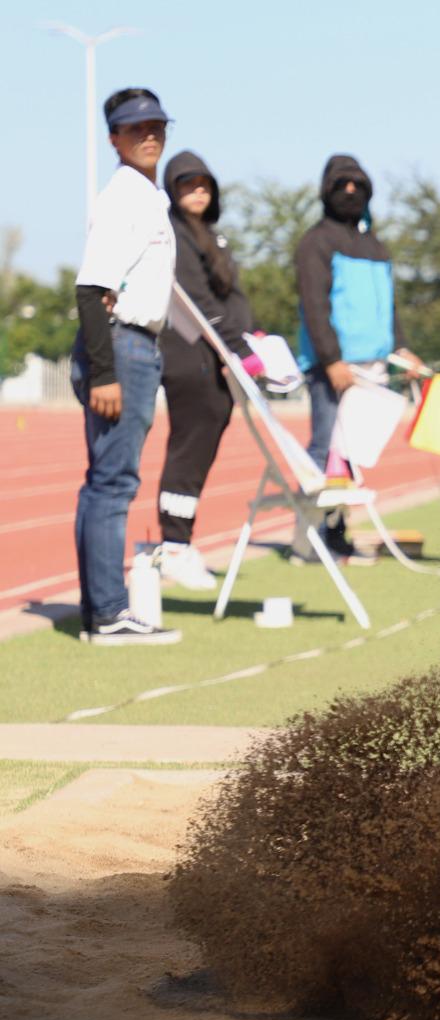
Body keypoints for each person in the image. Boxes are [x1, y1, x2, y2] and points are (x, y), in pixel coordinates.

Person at [70, 88, 180, 645]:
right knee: (113, 485)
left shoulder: (145, 195)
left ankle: (100, 611)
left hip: (133, 344)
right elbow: (92, 289)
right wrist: (105, 371)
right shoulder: (126, 197)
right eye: (136, 128)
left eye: (157, 125)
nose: (149, 135)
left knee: (104, 484)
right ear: (114, 138)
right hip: (123, 346)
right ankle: (110, 613)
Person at [293, 154, 422, 560]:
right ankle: (305, 538)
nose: (350, 192)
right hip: (334, 368)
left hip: (374, 367)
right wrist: (331, 359)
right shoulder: (315, 242)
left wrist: (401, 348)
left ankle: (335, 530)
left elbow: (388, 307)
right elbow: (315, 305)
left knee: (351, 457)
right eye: (341, 185)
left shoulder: (376, 246)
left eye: (358, 185)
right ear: (326, 191)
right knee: (323, 451)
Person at [154, 151, 262, 592]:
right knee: (189, 448)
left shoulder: (211, 237)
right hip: (192, 358)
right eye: (186, 183)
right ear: (173, 189)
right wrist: (239, 349)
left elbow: (231, 297)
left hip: (218, 359)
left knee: (203, 447)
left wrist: (252, 339)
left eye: (203, 183)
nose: (196, 191)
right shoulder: (175, 234)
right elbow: (199, 302)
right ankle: (174, 547)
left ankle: (182, 541)